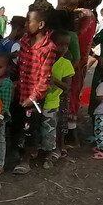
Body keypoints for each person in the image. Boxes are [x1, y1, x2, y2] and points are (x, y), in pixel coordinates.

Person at [12, 5, 59, 175]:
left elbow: (45, 78)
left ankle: (26, 159)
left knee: (29, 128)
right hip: (20, 92)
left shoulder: (48, 48)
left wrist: (33, 98)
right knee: (18, 124)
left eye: (28, 21)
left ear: (40, 25)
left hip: (33, 97)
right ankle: (19, 152)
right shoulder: (24, 41)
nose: (25, 24)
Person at [70, 0, 103, 129]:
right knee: (74, 92)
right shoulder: (92, 16)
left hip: (72, 59)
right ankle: (70, 130)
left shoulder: (81, 14)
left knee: (68, 92)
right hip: (81, 61)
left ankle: (66, 132)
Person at [40, 30, 75, 169]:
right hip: (40, 101)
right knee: (40, 129)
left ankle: (51, 154)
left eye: (66, 45)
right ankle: (41, 151)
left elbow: (67, 87)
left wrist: (54, 80)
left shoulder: (65, 64)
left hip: (54, 102)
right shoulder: (43, 59)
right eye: (60, 44)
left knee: (51, 129)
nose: (64, 48)